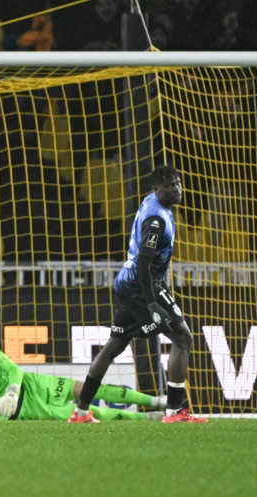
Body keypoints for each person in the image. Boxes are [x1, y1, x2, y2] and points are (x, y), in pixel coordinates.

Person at [69, 165, 207, 424]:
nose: (177, 189)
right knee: (183, 338)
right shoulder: (156, 220)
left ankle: (81, 412)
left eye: (178, 183)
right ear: (157, 190)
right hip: (142, 285)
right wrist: (153, 302)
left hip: (126, 282)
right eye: (170, 186)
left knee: (114, 346)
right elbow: (144, 262)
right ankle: (174, 412)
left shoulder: (153, 201)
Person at [0, 309, 167, 421]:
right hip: (24, 410)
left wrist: (12, 390)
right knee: (91, 413)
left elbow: (12, 369)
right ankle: (151, 419)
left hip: (33, 385)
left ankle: (155, 401)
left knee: (88, 388)